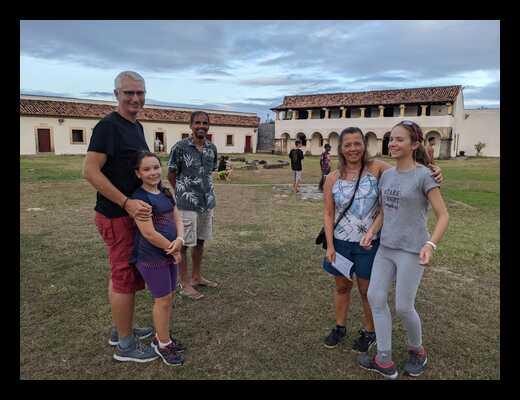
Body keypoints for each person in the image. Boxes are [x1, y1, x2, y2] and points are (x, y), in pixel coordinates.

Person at [321, 127, 443, 354]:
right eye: (347, 145)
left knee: (367, 290)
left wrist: (434, 170)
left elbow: (409, 171)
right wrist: (330, 245)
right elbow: (328, 213)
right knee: (341, 287)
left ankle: (370, 332)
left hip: (369, 243)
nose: (353, 149)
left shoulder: (378, 169)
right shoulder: (332, 178)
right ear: (341, 149)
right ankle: (340, 327)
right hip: (341, 243)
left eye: (357, 143)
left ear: (364, 146)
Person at [357, 120, 449, 379]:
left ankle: (417, 350)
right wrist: (371, 232)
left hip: (412, 250)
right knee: (375, 297)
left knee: (404, 307)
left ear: (415, 144)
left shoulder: (425, 176)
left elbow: (443, 215)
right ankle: (383, 358)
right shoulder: (387, 174)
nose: (392, 143)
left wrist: (430, 245)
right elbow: (385, 210)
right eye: (391, 139)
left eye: (399, 139)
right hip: (386, 248)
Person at [83, 71, 157, 362]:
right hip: (115, 215)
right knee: (123, 276)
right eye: (129, 93)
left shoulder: (135, 126)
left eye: (140, 92)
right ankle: (125, 346)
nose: (135, 98)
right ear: (116, 94)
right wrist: (126, 203)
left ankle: (120, 328)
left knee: (122, 275)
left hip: (129, 215)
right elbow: (90, 171)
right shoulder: (107, 127)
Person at [130, 151, 186, 366]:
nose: (153, 172)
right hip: (152, 257)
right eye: (146, 169)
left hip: (170, 252)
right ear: (138, 173)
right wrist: (173, 249)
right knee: (162, 300)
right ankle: (162, 344)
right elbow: (149, 233)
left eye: (155, 167)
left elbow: (176, 216)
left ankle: (163, 337)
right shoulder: (139, 199)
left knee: (169, 296)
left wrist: (180, 238)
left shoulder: (165, 192)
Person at [167, 111, 219, 301]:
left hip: (207, 203)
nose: (201, 126)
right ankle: (185, 283)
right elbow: (171, 174)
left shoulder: (211, 148)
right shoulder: (179, 148)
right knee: (184, 244)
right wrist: (181, 193)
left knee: (200, 241)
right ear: (190, 125)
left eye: (205, 123)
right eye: (197, 123)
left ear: (208, 126)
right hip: (186, 204)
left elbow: (210, 172)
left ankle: (197, 277)